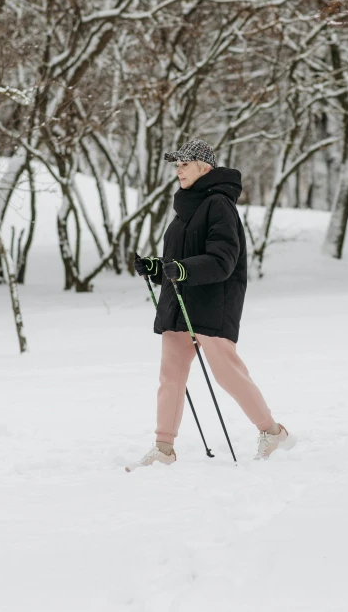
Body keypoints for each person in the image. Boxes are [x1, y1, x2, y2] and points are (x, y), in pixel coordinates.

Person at [126, 139, 295, 471]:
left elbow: (222, 260)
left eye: (183, 165)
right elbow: (180, 263)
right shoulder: (186, 208)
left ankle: (272, 432)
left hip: (213, 304)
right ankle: (164, 448)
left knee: (227, 374)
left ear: (204, 167)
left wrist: (184, 270)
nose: (178, 171)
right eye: (176, 166)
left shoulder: (219, 204)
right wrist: (158, 268)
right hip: (179, 305)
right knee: (170, 376)